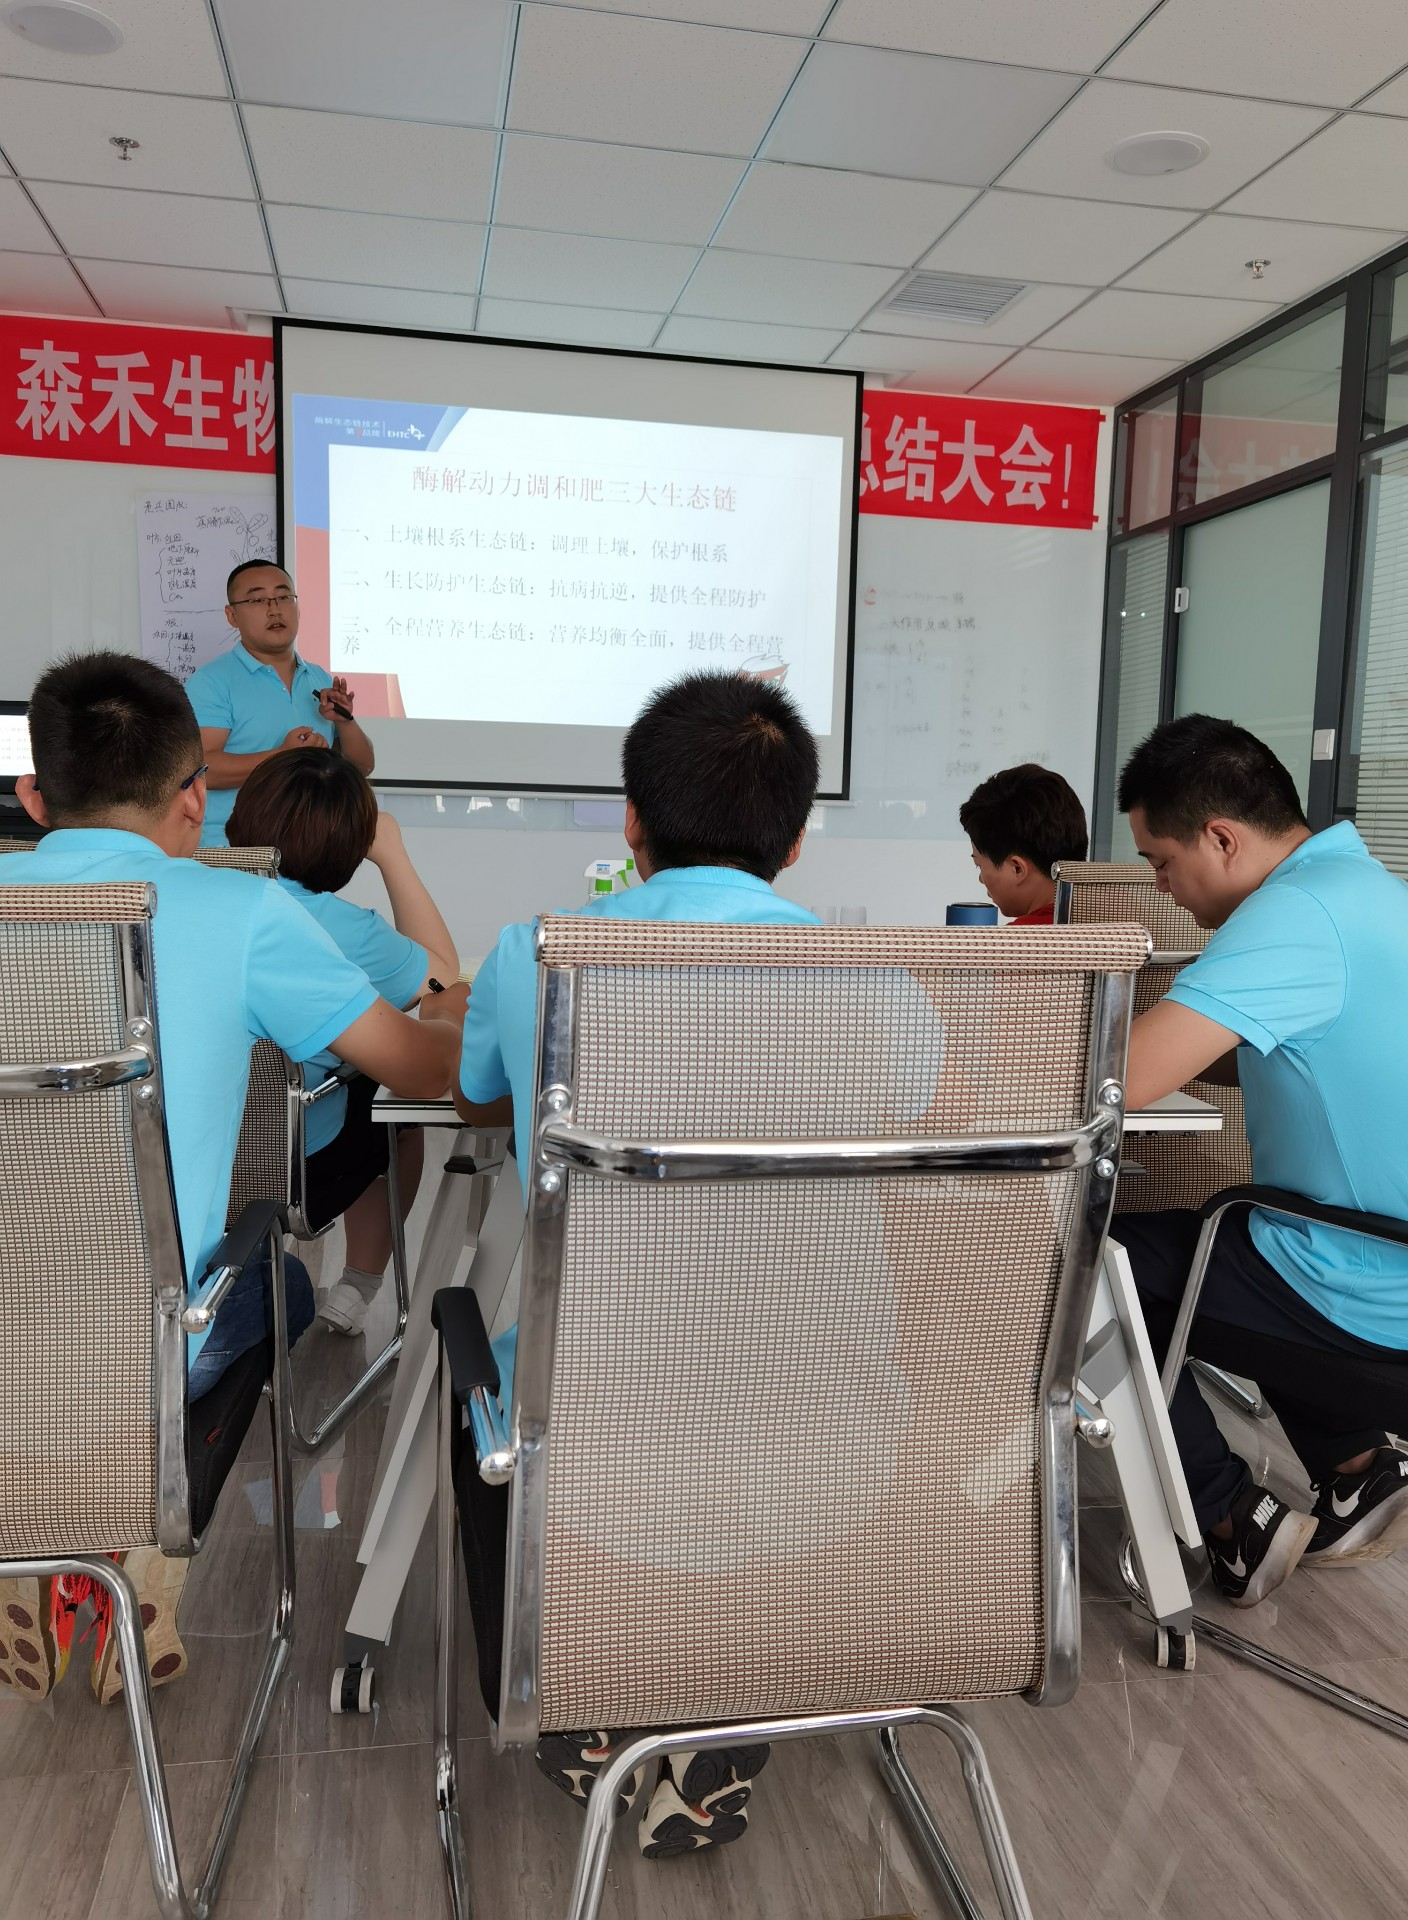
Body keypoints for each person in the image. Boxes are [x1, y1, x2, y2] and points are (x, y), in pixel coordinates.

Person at [0, 653, 460, 1707]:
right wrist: (447, 1019)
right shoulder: (238, 911)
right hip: (144, 1351)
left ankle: (51, 1528)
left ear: (33, 799)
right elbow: (420, 1070)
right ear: (192, 798)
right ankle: (126, 1543)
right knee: (278, 1282)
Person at [440, 670, 825, 1862]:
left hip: (593, 1417)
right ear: (795, 843)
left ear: (631, 821)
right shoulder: (878, 977)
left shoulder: (536, 953)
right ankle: (725, 1679)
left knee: (481, 1371)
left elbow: (472, 1093)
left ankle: (576, 1700)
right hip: (822, 1427)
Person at [1114, 713, 1408, 1611]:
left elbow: (1127, 1079)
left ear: (1221, 838)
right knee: (1243, 1238)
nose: (1160, 885)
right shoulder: (1367, 888)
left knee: (1089, 1264)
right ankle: (1358, 1470)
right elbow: (1267, 1053)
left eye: (1161, 861)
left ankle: (1232, 1518)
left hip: (1369, 1279)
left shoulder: (1292, 914)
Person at [227, 749, 458, 1334]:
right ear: (352, 846)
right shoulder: (349, 929)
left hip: (181, 1166)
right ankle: (357, 1286)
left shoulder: (190, 899)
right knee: (395, 1107)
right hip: (290, 1174)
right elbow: (440, 974)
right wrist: (392, 853)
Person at [184, 560, 375, 848]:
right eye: (258, 600)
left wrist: (345, 721)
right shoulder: (211, 682)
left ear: (298, 607)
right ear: (232, 615)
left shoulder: (319, 677)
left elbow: (362, 766)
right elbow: (200, 770)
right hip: (232, 849)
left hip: (309, 847)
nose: (274, 609)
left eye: (284, 597)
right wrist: (282, 757)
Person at [958, 762, 1088, 925]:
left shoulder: (1017, 938)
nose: (981, 879)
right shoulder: (1110, 922)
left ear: (1017, 868)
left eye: (979, 866)